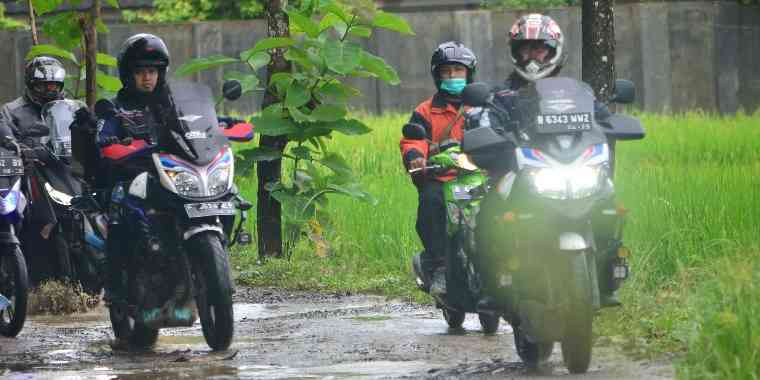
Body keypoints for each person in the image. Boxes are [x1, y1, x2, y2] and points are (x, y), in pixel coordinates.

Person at [467, 13, 621, 308]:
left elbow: (603, 120)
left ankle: (607, 275)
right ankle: (492, 285)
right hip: (518, 172)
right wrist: (485, 132)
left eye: (539, 48)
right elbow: (483, 121)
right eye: (525, 49)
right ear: (514, 52)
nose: (532, 56)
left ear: (554, 49)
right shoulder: (500, 95)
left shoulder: (578, 92)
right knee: (487, 214)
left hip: (568, 167)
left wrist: (616, 125)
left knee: (608, 200)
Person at [73, 33, 171, 310]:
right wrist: (103, 138)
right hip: (127, 176)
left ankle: (204, 258)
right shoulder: (113, 108)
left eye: (152, 71)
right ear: (128, 75)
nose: (147, 78)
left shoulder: (168, 106)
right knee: (121, 207)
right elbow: (102, 134)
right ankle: (115, 286)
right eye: (140, 71)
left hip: (167, 175)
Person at [400, 41, 478, 297]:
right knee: (431, 204)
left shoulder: (482, 107)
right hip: (440, 177)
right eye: (447, 71)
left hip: (477, 176)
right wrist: (415, 157)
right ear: (437, 75)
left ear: (469, 74)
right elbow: (413, 139)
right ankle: (440, 268)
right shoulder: (425, 111)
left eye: (458, 70)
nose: (453, 76)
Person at [0, 56, 71, 284]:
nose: (49, 91)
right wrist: (16, 146)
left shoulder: (68, 109)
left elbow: (81, 136)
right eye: (43, 86)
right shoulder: (11, 110)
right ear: (31, 85)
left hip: (61, 172)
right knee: (16, 214)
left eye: (54, 86)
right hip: (25, 174)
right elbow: (3, 132)